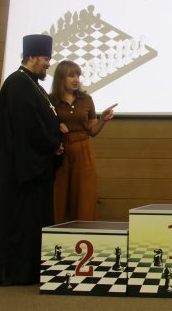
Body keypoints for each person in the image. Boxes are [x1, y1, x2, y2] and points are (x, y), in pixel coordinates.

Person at [0, 34, 65, 285]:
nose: (48, 64)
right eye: (45, 59)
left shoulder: (31, 84)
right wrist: (52, 144)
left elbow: (42, 119)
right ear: (32, 57)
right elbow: (28, 127)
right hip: (21, 170)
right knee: (19, 221)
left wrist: (57, 133)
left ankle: (31, 269)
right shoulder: (17, 84)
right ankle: (12, 271)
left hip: (34, 164)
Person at [49, 60, 117, 223]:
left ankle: (84, 232)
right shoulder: (51, 100)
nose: (76, 80)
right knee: (57, 196)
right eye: (71, 76)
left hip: (83, 149)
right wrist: (56, 127)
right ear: (60, 78)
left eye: (78, 76)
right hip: (60, 151)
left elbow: (92, 131)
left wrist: (102, 120)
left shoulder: (86, 99)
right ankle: (54, 234)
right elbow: (43, 125)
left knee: (84, 196)